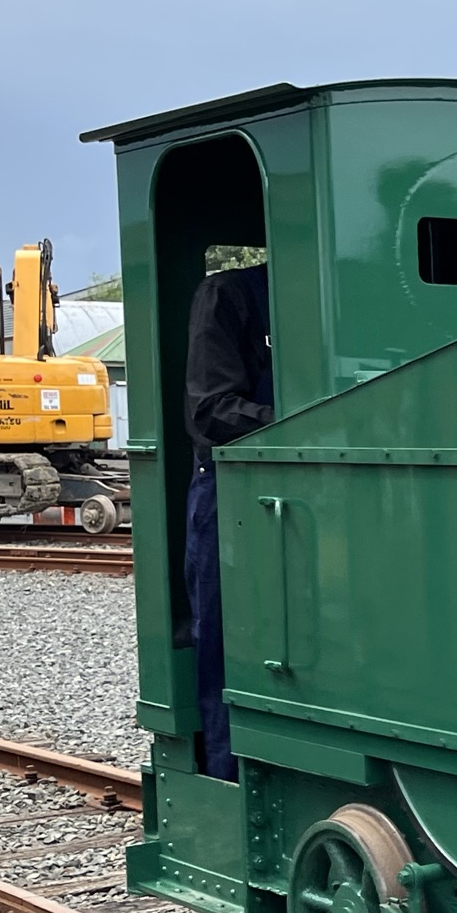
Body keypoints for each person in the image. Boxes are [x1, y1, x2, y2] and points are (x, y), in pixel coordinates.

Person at [183, 261, 272, 782]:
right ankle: (228, 779)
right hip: (232, 491)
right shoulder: (228, 294)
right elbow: (210, 410)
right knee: (228, 646)